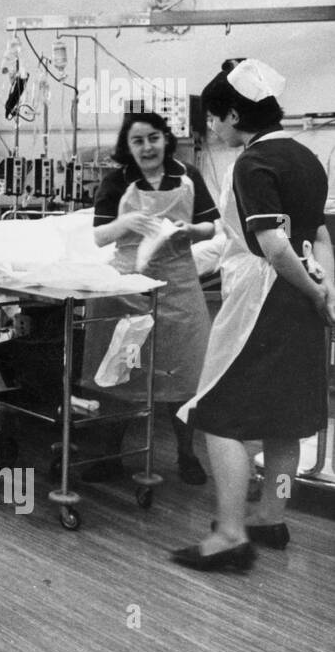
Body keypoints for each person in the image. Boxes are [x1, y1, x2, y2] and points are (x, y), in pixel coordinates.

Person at [172, 58, 335, 572]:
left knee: (218, 415)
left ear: (236, 115)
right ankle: (269, 515)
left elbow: (270, 244)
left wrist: (309, 291)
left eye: (215, 119)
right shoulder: (309, 158)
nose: (211, 129)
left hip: (267, 299)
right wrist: (325, 287)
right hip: (302, 293)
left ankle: (229, 536)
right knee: (285, 421)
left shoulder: (251, 164)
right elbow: (319, 235)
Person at [80, 111, 218, 485]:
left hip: (178, 284)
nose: (147, 147)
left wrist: (190, 231)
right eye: (137, 140)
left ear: (166, 140)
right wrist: (125, 224)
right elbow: (99, 237)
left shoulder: (187, 176)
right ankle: (111, 455)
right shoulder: (116, 181)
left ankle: (187, 455)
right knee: (121, 372)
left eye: (153, 138)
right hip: (127, 287)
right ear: (128, 147)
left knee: (184, 372)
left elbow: (210, 225)